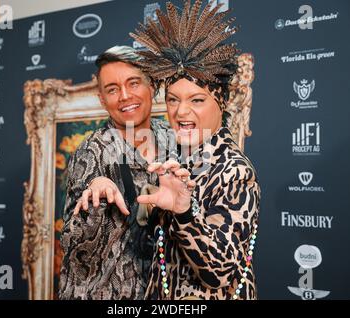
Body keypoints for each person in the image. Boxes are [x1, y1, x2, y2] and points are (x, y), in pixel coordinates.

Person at [130, 0, 261, 299]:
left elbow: (218, 273)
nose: (181, 112)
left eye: (197, 100)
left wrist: (185, 213)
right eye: (173, 99)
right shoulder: (172, 159)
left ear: (221, 103)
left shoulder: (235, 171)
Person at [58, 46, 173, 299]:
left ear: (151, 86)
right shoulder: (91, 152)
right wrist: (95, 197)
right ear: (102, 99)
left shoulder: (175, 140)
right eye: (112, 89)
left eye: (133, 83)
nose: (124, 96)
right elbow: (71, 243)